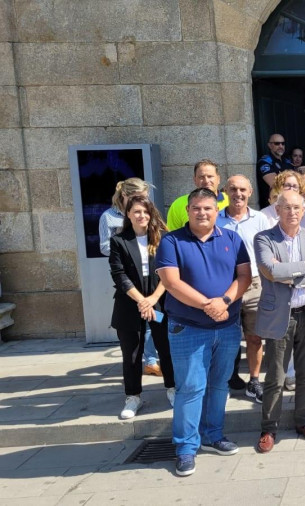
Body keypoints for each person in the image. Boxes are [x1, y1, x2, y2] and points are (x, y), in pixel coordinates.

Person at [156, 187, 252, 477]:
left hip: (227, 326)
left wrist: (224, 301)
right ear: (188, 211)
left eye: (207, 208)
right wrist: (207, 305)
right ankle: (186, 448)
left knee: (219, 385)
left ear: (216, 211)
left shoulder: (232, 239)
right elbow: (171, 282)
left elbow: (244, 276)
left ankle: (214, 434)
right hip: (188, 327)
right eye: (196, 208)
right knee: (190, 388)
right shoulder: (171, 241)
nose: (202, 213)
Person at [254, 190, 305, 452]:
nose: (292, 212)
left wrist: (292, 273)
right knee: (275, 377)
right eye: (286, 207)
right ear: (277, 210)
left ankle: (303, 421)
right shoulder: (264, 238)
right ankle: (268, 428)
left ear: (303, 210)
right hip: (279, 318)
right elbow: (271, 271)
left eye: (297, 207)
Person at [108, 195, 176, 419]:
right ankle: (133, 397)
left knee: (166, 349)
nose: (142, 216)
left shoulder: (163, 238)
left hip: (160, 301)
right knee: (133, 354)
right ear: (128, 214)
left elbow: (170, 273)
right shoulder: (119, 240)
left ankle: (172, 388)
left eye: (146, 212)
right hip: (130, 303)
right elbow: (119, 275)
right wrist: (142, 301)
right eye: (136, 211)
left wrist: (152, 299)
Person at [216, 175, 271, 403]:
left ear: (250, 192)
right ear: (225, 192)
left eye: (242, 190)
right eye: (233, 189)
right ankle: (224, 381)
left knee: (255, 337)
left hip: (255, 285)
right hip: (223, 286)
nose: (238, 194)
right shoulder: (215, 220)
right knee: (225, 338)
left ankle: (255, 381)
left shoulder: (260, 219)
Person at [99, 177, 162, 376]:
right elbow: (104, 246)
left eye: (145, 198)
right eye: (139, 197)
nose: (143, 202)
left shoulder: (145, 214)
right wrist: (127, 246)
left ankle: (151, 360)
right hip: (129, 278)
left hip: (151, 280)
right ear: (125, 197)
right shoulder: (109, 217)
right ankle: (145, 362)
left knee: (154, 320)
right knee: (135, 326)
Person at [166, 159, 229, 231]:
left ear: (218, 179)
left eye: (210, 176)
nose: (206, 181)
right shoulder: (178, 204)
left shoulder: (230, 201)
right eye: (201, 177)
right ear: (195, 180)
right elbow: (172, 235)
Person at [256, 134, 291, 205]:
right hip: (272, 205)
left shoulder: (287, 161)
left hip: (288, 203)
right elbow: (275, 183)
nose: (281, 146)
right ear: (269, 145)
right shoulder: (265, 162)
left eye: (283, 143)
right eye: (277, 143)